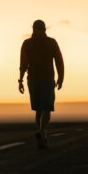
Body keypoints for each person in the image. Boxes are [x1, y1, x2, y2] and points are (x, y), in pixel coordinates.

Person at [18, 20, 64, 149]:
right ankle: (42, 131)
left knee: (38, 109)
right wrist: (61, 78)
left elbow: (23, 64)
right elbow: (59, 61)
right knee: (47, 108)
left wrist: (20, 80)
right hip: (47, 79)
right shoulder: (51, 42)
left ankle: (41, 134)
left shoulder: (27, 43)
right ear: (44, 29)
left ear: (33, 29)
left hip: (32, 80)